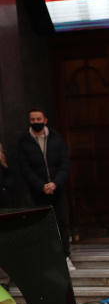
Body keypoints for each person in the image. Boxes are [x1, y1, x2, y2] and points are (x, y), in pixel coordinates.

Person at [16, 107, 73, 269]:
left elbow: (64, 163)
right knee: (42, 225)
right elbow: (25, 168)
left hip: (58, 189)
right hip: (38, 192)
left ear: (45, 120)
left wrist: (56, 183)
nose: (36, 122)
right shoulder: (24, 141)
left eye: (38, 119)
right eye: (33, 120)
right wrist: (41, 185)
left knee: (62, 222)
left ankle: (65, 256)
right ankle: (47, 258)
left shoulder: (56, 138)